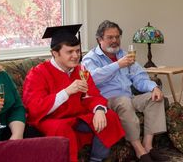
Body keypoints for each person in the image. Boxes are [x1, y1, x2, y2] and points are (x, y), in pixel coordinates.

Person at [22, 24, 125, 162]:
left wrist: (99, 109)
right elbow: (34, 108)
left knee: (109, 116)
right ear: (55, 53)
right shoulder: (38, 73)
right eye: (70, 52)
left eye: (77, 51)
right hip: (51, 118)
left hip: (76, 115)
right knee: (61, 129)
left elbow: (93, 95)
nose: (76, 56)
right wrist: (66, 92)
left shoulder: (80, 71)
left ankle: (96, 159)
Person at [82, 20, 169, 162]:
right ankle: (138, 149)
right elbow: (92, 78)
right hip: (107, 101)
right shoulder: (91, 58)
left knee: (154, 98)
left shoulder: (124, 54)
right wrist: (117, 65)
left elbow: (140, 77)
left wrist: (154, 87)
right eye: (110, 37)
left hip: (129, 97)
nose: (115, 40)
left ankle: (148, 146)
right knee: (123, 102)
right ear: (99, 39)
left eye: (117, 37)